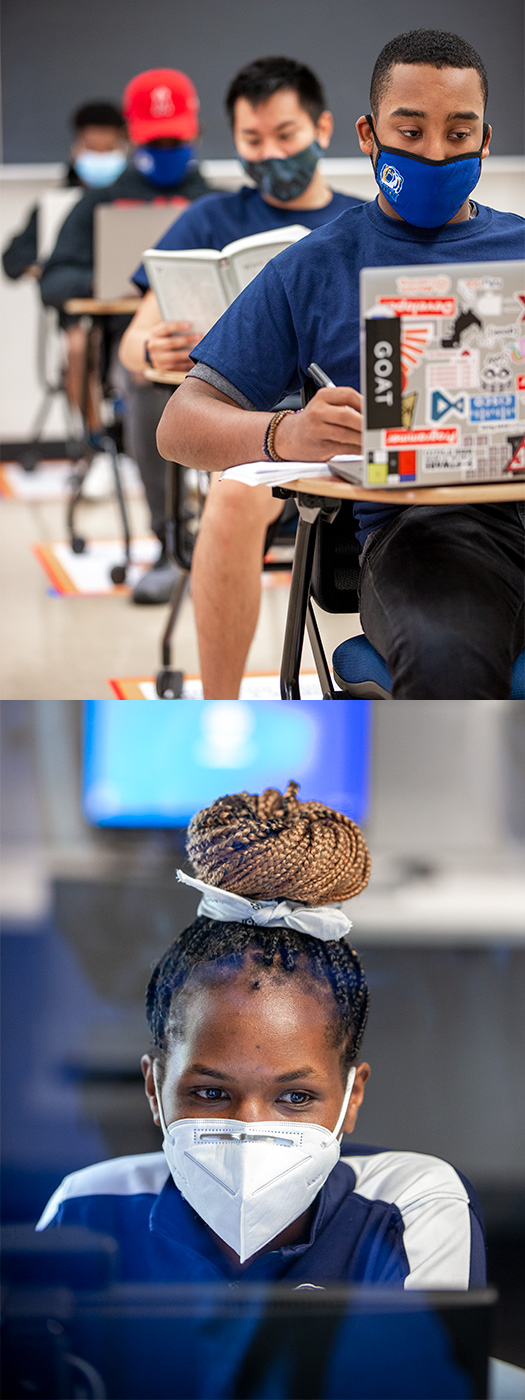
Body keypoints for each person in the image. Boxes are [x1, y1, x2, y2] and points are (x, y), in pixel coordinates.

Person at [157, 29, 525, 700]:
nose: (435, 153)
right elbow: (179, 424)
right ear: (365, 133)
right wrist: (283, 433)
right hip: (430, 534)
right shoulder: (317, 265)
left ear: (485, 140)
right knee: (451, 660)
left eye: (457, 134)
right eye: (409, 133)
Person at [38, 782, 485, 1303]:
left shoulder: (406, 1210)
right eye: (210, 1092)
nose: (248, 1128)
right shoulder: (88, 1211)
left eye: (294, 1097)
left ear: (352, 1096)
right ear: (155, 1088)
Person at [119, 56, 364, 604]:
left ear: (322, 129)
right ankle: (220, 686)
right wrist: (152, 347)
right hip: (248, 425)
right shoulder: (206, 219)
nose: (271, 154)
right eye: (252, 140)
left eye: (285, 134)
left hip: (344, 421)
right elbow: (133, 344)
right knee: (233, 492)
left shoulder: (362, 222)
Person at [39, 69, 214, 496]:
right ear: (132, 137)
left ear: (196, 135)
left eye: (175, 141)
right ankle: (166, 526)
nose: (166, 150)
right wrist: (108, 282)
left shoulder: (216, 203)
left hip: (213, 336)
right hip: (131, 340)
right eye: (156, 142)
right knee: (146, 377)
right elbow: (54, 279)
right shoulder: (101, 202)